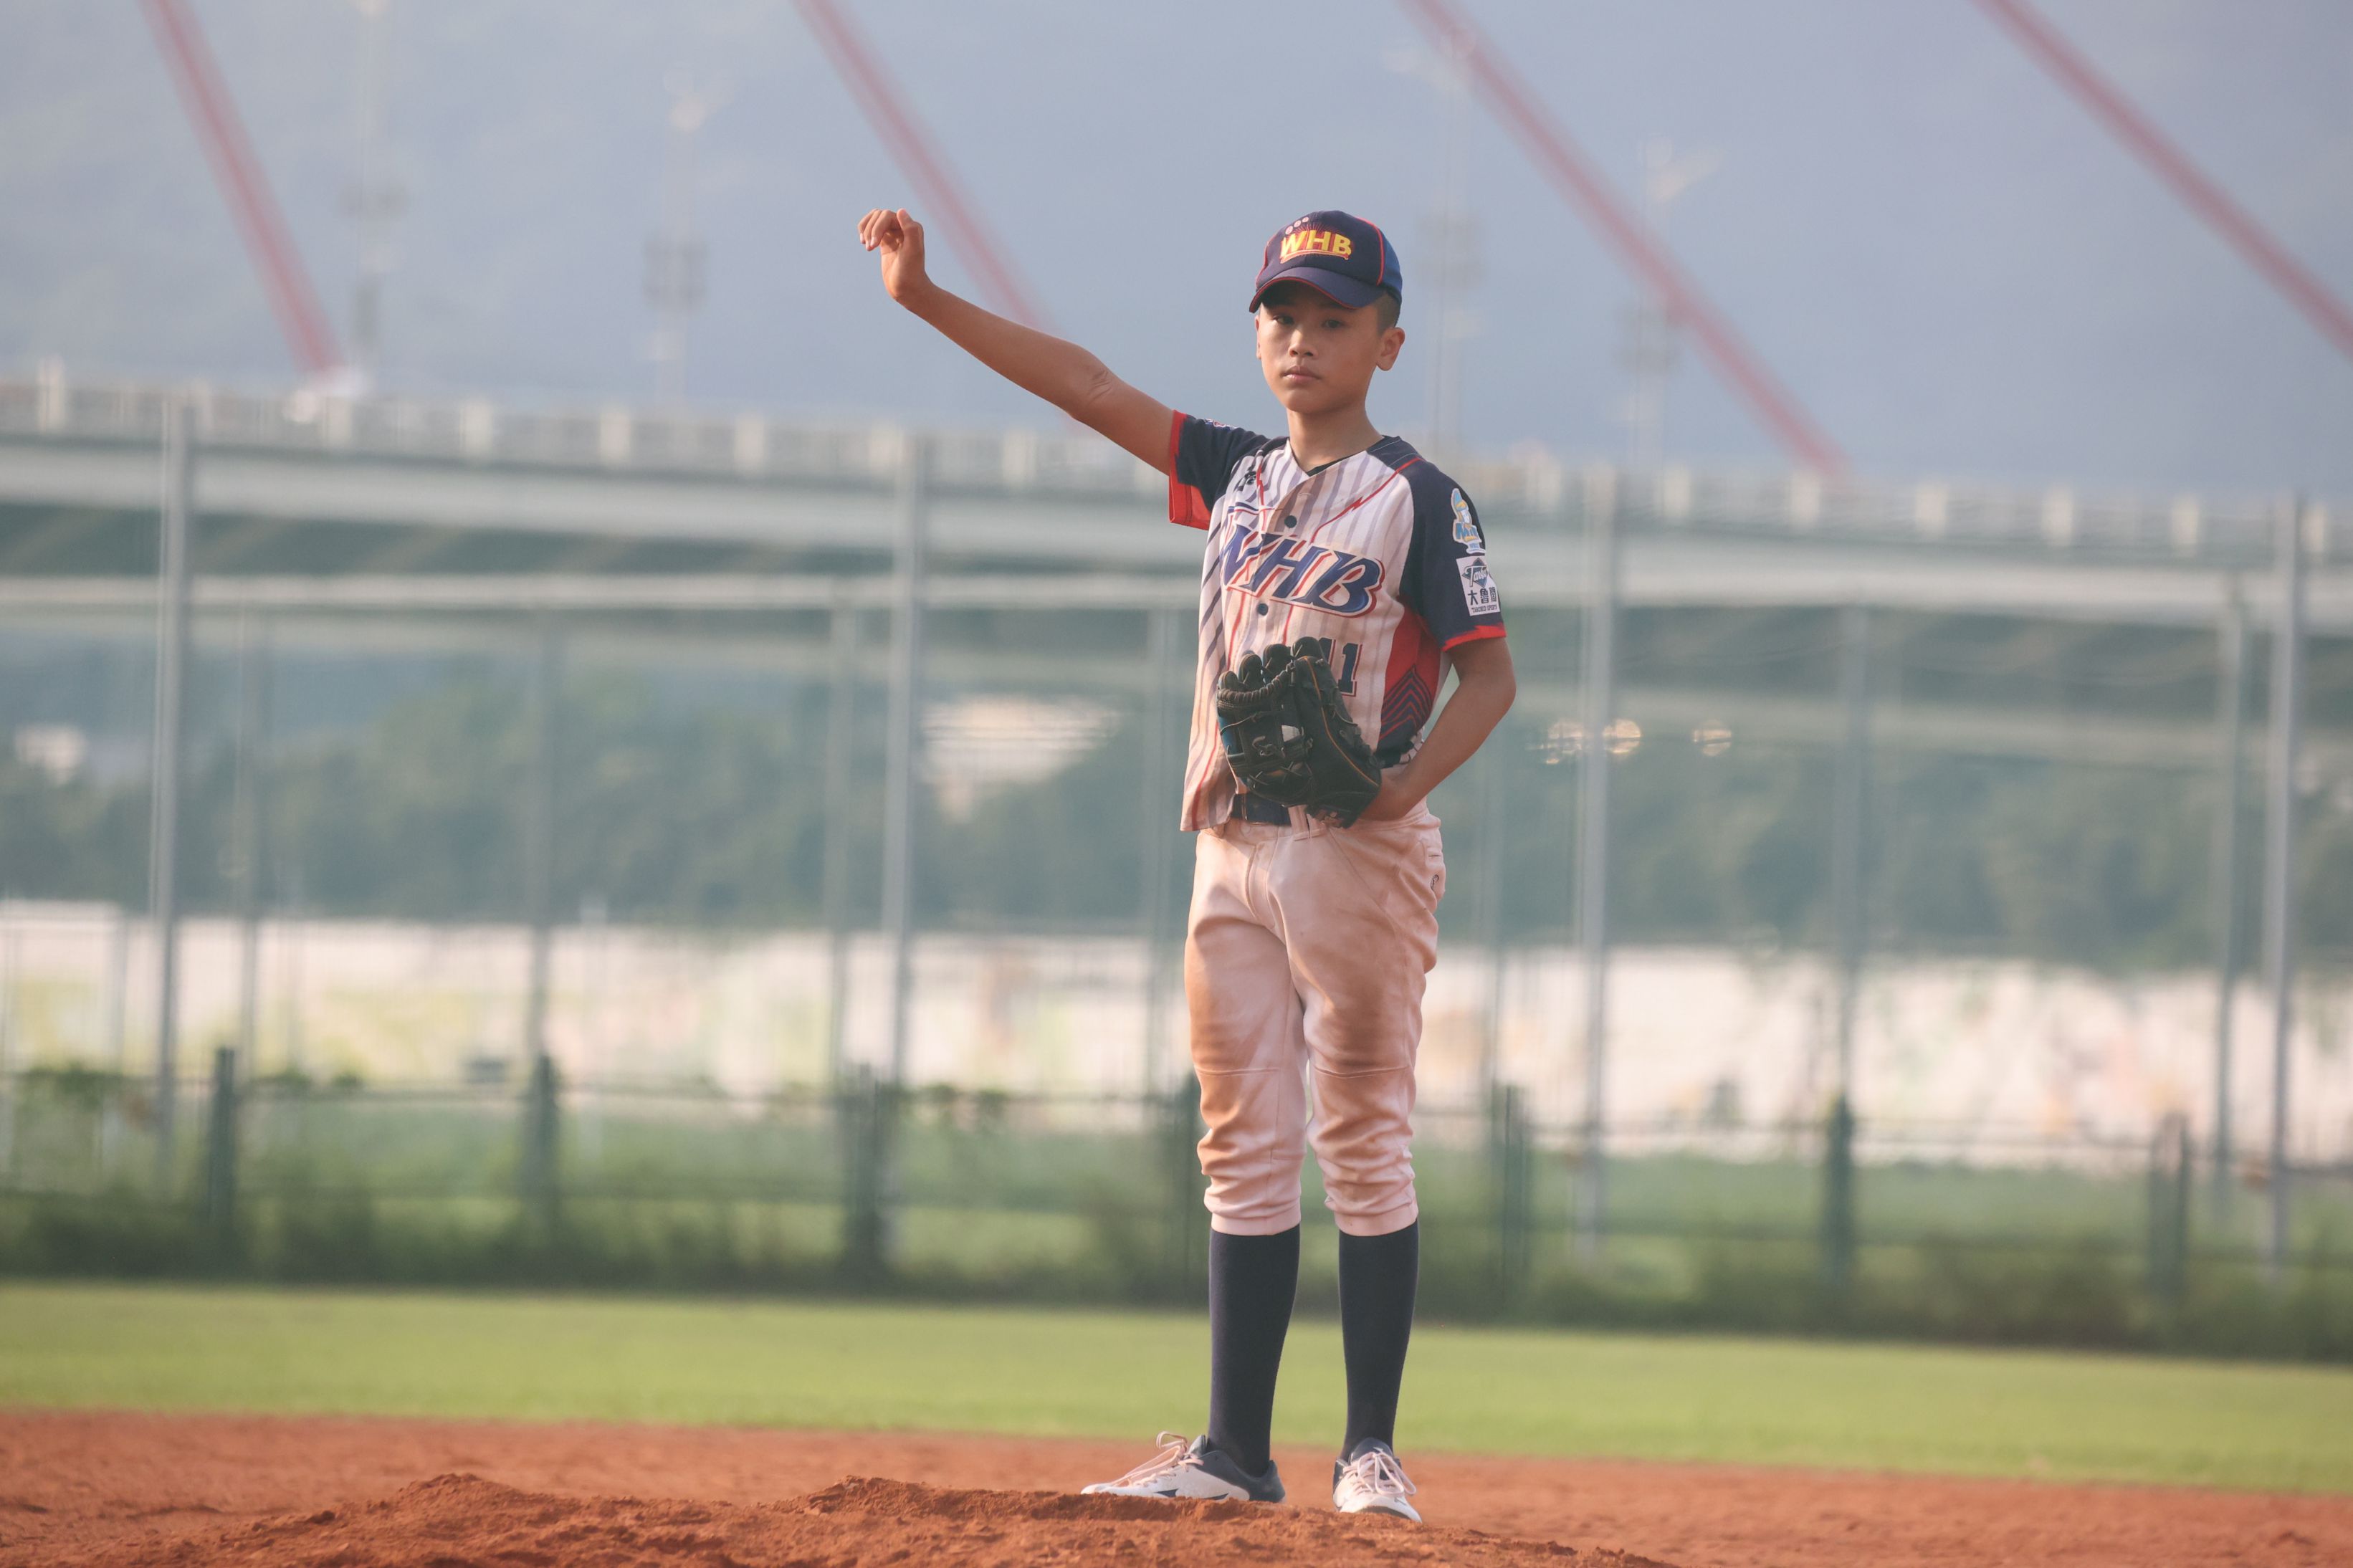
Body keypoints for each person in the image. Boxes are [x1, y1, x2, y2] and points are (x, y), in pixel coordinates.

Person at [856, 205, 1515, 1521]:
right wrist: (923, 299)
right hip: (1229, 840)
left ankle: (1370, 1455)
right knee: (1242, 1144)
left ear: (1388, 344)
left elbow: (1489, 679)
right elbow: (1088, 386)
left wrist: (1399, 789)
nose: (1303, 339)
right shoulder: (1238, 476)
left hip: (1355, 852)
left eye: (1335, 320)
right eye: (1283, 315)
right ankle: (1234, 1453)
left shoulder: (1419, 500)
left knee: (1362, 1139)